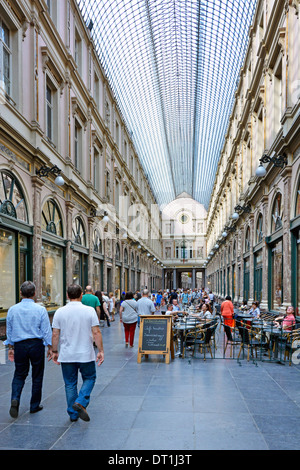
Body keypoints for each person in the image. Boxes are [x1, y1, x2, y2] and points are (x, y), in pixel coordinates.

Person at [51, 284, 104, 422]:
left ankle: (73, 414)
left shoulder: (60, 312)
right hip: (85, 353)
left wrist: (54, 351)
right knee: (90, 378)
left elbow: (55, 334)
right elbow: (96, 332)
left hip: (67, 354)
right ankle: (80, 402)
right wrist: (101, 350)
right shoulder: (89, 311)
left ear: (67, 296)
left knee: (70, 383)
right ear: (81, 295)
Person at [5, 281, 52, 418]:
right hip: (36, 345)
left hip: (19, 345)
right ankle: (34, 405)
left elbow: (10, 330)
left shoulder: (13, 309)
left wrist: (10, 346)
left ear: (20, 293)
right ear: (34, 294)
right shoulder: (40, 310)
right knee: (37, 375)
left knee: (19, 374)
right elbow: (46, 330)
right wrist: (50, 347)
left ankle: (15, 398)